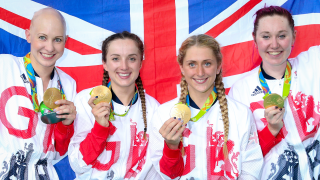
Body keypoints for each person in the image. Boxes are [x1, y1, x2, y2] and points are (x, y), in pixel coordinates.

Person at [149, 34, 263, 179]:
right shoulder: (164, 114)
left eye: (207, 63)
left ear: (218, 67)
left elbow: (251, 169)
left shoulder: (241, 113)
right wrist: (171, 146)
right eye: (192, 64)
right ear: (182, 68)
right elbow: (167, 176)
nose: (200, 72)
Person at [229, 6, 320, 180]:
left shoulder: (314, 63)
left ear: (293, 36)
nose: (274, 44)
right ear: (254, 40)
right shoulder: (241, 91)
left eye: (282, 35)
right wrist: (270, 131)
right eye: (266, 36)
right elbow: (239, 161)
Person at [68, 31, 160, 179]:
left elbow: (154, 170)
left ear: (141, 62)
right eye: (116, 58)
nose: (124, 66)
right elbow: (78, 165)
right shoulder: (85, 100)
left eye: (131, 58)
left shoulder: (154, 109)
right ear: (104, 63)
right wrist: (99, 128)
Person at [0, 8, 77, 180]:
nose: (49, 47)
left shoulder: (68, 85)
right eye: (42, 37)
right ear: (28, 35)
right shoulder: (4, 66)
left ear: (66, 41)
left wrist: (67, 124)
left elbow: (60, 151)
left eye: (57, 40)